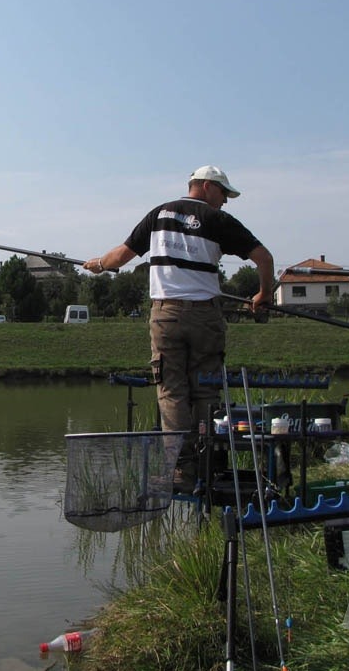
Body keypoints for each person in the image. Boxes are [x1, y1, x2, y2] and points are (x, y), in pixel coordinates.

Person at [83, 165, 274, 485]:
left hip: (167, 317)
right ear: (206, 187)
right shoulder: (218, 221)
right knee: (204, 391)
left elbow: (120, 257)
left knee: (171, 391)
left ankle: (182, 470)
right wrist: (263, 294)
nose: (225, 201)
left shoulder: (159, 215)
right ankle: (206, 462)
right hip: (206, 318)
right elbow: (264, 258)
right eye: (224, 193)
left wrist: (98, 265)